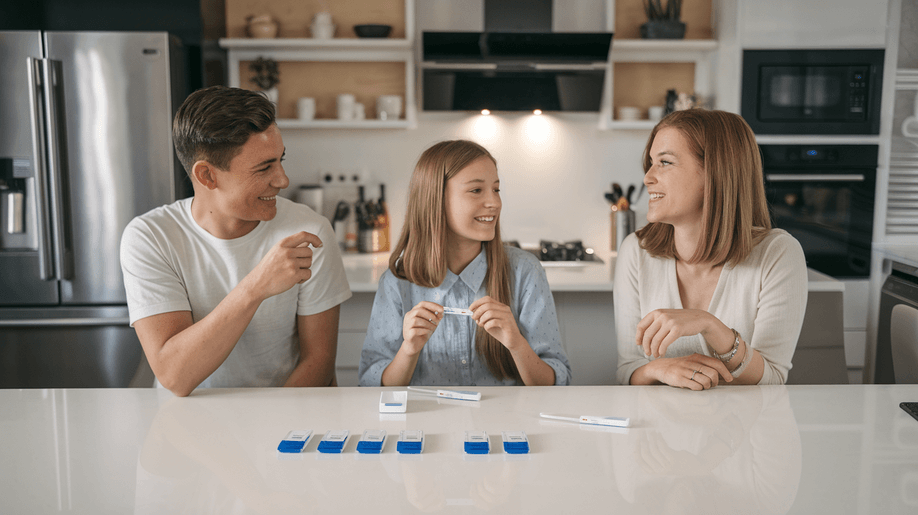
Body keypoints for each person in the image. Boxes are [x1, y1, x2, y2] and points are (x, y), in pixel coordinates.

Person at [120, 86, 352, 396]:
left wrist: (265, 436)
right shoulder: (151, 238)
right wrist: (255, 287)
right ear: (207, 176)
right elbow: (175, 376)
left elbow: (319, 363)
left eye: (280, 160)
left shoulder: (309, 231)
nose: (283, 180)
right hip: (186, 429)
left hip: (282, 424)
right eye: (264, 167)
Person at [614, 109, 807, 388]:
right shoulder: (637, 251)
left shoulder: (778, 254)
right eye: (651, 163)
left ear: (715, 173)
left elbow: (772, 380)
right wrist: (661, 369)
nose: (648, 178)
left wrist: (710, 326)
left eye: (665, 162)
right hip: (661, 428)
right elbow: (627, 371)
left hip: (746, 428)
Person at [358, 140, 571, 387]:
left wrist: (516, 343)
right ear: (435, 199)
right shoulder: (397, 282)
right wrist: (409, 350)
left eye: (496, 190)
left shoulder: (525, 271)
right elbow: (371, 387)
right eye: (476, 191)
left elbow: (558, 384)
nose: (494, 203)